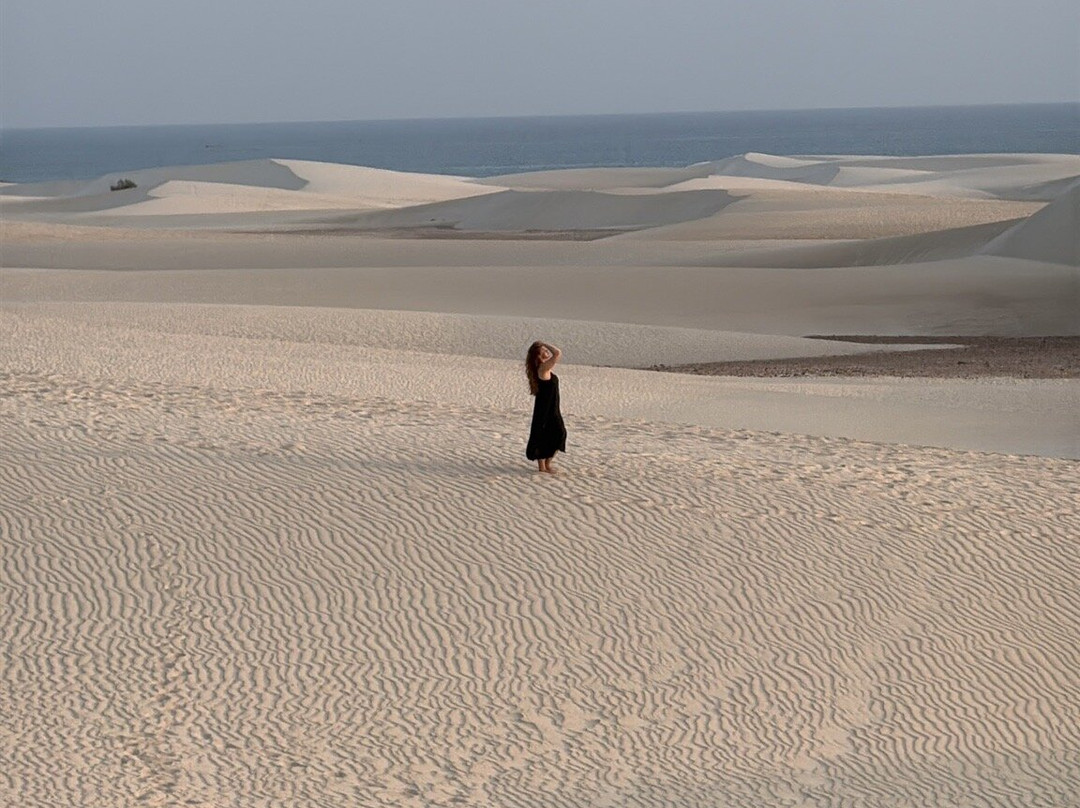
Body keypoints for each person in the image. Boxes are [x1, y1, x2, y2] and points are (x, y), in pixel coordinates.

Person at [524, 341, 567, 473]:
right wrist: (543, 343)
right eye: (543, 350)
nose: (546, 351)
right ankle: (543, 467)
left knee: (549, 434)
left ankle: (545, 466)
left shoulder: (542, 367)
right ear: (538, 355)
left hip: (548, 407)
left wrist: (541, 347)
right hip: (547, 409)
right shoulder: (543, 368)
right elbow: (558, 353)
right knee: (555, 433)